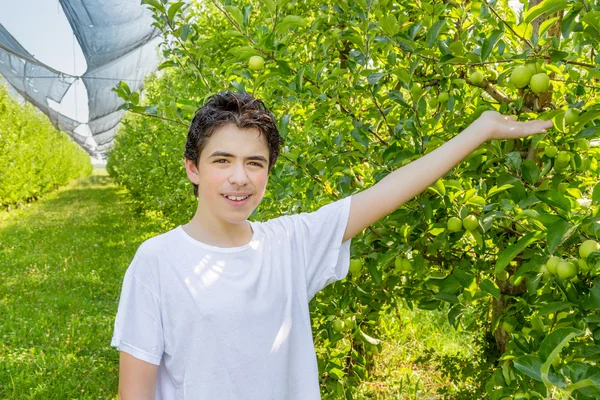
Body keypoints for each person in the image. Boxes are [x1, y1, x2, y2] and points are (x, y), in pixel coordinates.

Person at [111, 91, 552, 399]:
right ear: (193, 168)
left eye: (254, 163)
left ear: (268, 171)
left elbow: (389, 191)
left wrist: (480, 131)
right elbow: (136, 392)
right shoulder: (158, 261)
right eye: (222, 160)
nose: (239, 178)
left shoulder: (289, 244)